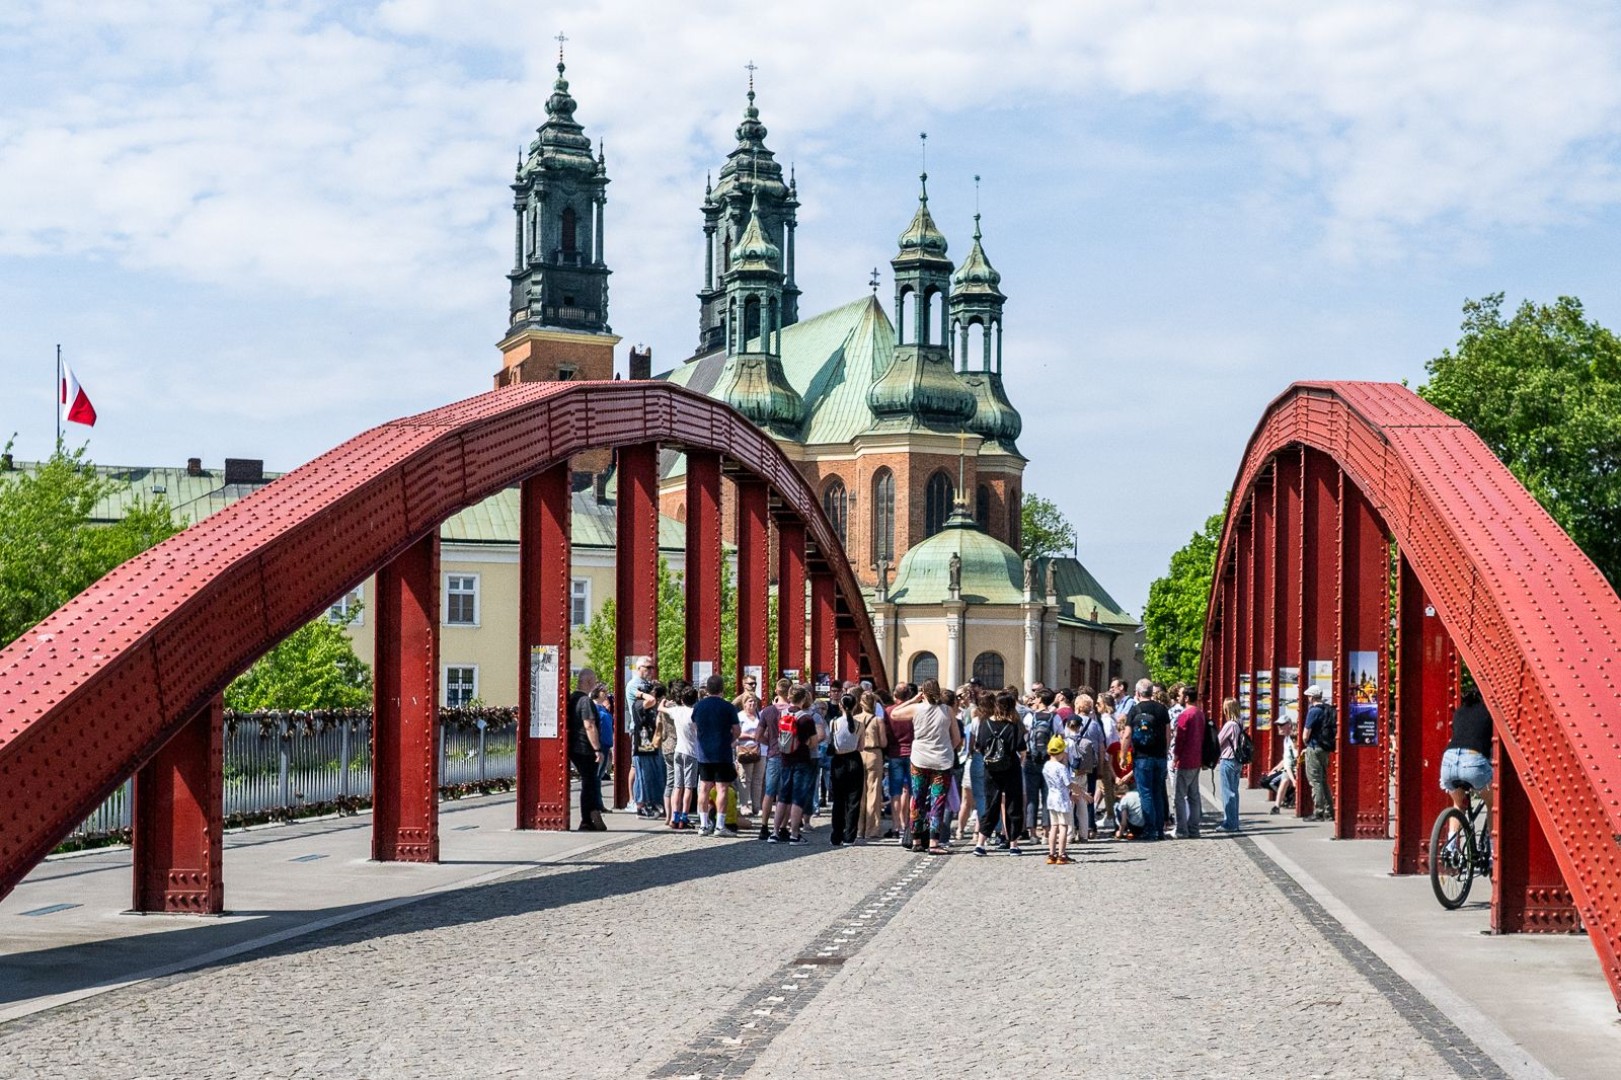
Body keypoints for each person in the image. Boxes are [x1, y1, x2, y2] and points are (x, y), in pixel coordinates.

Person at [889, 679, 960, 854]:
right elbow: (957, 738)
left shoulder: (917, 709)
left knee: (917, 799)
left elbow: (894, 713)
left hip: (920, 759)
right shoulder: (947, 710)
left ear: (923, 692)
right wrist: (945, 749)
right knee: (938, 801)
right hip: (942, 760)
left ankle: (916, 841)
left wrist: (913, 699)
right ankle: (934, 843)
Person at [974, 690, 1027, 856]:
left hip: (990, 769)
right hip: (1011, 767)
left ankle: (980, 844)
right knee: (1013, 804)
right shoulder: (1014, 724)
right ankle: (1013, 844)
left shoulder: (985, 722)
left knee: (991, 804)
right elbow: (1022, 749)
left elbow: (979, 746)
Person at [770, 686, 821, 845]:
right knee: (798, 798)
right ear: (804, 699)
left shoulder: (782, 714)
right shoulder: (806, 718)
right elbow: (813, 743)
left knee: (783, 797)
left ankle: (775, 832)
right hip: (802, 761)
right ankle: (794, 834)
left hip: (785, 759)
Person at [692, 674, 741, 837]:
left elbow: (694, 726)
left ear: (707, 689)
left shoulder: (699, 706)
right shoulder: (728, 707)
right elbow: (737, 730)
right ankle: (720, 826)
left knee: (704, 788)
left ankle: (704, 825)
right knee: (722, 789)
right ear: (722, 689)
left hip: (704, 753)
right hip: (722, 752)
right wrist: (730, 741)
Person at [1126, 678, 1172, 840]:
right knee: (1158, 792)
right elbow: (1168, 733)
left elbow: (1126, 735)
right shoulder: (1162, 709)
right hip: (1159, 757)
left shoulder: (1134, 710)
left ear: (1138, 693)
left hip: (1141, 757)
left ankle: (1150, 829)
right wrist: (1165, 752)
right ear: (1152, 692)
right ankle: (1160, 830)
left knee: (1145, 793)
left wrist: (1125, 755)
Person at [1440, 687, 1493, 814]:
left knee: (1458, 805)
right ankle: (1489, 835)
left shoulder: (1459, 712)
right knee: (1493, 805)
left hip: (1449, 761)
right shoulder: (1489, 712)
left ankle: (1451, 834)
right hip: (1472, 761)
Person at [566, 669, 607, 831]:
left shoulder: (572, 699)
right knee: (589, 783)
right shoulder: (585, 701)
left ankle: (592, 814)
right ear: (589, 682)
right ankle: (587, 819)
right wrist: (597, 749)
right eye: (595, 681)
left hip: (575, 748)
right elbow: (589, 725)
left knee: (589, 783)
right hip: (585, 748)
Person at [1043, 734, 1089, 864]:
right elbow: (1069, 784)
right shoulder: (1061, 768)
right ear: (1062, 752)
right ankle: (1062, 854)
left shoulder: (1047, 765)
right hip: (1062, 800)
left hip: (1051, 799)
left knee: (1054, 827)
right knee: (1063, 827)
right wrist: (1082, 793)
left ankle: (1051, 854)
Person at [827, 693, 866, 846]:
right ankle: (850, 836)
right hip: (854, 760)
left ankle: (836, 835)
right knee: (853, 800)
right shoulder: (859, 725)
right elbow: (861, 746)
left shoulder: (833, 723)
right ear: (855, 706)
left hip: (838, 761)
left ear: (840, 706)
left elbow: (831, 742)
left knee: (838, 800)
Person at [1171, 686, 1207, 839]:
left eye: (1180, 695)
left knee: (1179, 796)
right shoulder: (1200, 714)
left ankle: (1181, 829)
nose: (1178, 697)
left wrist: (1175, 758)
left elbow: (1180, 739)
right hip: (1196, 759)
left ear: (1186, 698)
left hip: (1185, 760)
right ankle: (1194, 828)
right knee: (1194, 796)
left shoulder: (1185, 715)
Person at [755, 680, 788, 840]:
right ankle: (782, 827)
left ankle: (763, 826)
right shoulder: (793, 711)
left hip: (773, 754)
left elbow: (758, 735)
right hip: (789, 756)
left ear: (776, 691)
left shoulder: (767, 711)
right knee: (785, 794)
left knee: (769, 793)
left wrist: (769, 743)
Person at [885, 683, 916, 845]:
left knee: (895, 791)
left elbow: (886, 732)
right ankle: (909, 824)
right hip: (912, 753)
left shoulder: (889, 711)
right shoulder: (913, 710)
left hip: (894, 753)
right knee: (911, 791)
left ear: (894, 695)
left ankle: (896, 826)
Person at [856, 691, 888, 840]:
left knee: (858, 792)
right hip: (874, 754)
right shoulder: (878, 720)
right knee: (873, 793)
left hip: (859, 754)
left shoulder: (855, 719)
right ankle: (872, 829)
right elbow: (883, 743)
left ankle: (858, 828)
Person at [667, 685, 700, 830]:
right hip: (691, 752)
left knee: (677, 786)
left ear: (681, 699)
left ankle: (675, 816)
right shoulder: (694, 714)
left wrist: (669, 703)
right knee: (688, 787)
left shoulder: (676, 711)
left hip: (678, 750)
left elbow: (661, 707)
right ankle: (684, 817)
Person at [632, 681, 666, 819]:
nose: (654, 695)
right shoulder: (639, 704)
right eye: (651, 691)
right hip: (642, 743)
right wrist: (641, 694)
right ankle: (641, 805)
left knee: (651, 774)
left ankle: (651, 802)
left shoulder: (648, 704)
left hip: (648, 742)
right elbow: (651, 700)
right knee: (644, 776)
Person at [1301, 683, 1335, 821]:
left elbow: (1305, 734)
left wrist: (1306, 745)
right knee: (1323, 780)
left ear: (1312, 697)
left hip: (1314, 748)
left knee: (1315, 780)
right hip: (1325, 748)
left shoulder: (1313, 711)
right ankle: (1329, 810)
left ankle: (1319, 811)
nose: (1307, 698)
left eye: (1308, 696)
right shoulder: (1326, 709)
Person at [734, 693, 765, 816]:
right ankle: (744, 805)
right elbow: (735, 733)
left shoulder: (759, 715)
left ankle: (756, 806)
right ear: (744, 703)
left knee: (758, 779)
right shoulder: (739, 716)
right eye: (750, 701)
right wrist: (751, 736)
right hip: (745, 749)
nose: (752, 704)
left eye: (754, 702)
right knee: (745, 778)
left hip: (759, 750)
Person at [1216, 697, 1244, 832]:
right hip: (1237, 761)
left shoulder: (1230, 725)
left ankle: (1230, 823)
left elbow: (1218, 741)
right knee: (1234, 792)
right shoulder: (1240, 722)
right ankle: (1235, 822)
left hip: (1228, 759)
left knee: (1228, 792)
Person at [1267, 711, 1298, 814]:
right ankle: (1277, 805)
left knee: (1283, 780)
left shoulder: (1294, 738)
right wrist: (1275, 769)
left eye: (1281, 725)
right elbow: (1287, 762)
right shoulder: (1286, 740)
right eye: (1278, 725)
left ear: (1289, 725)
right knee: (1283, 780)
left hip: (1299, 765)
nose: (1279, 728)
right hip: (1291, 766)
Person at [1113, 775, 1145, 840]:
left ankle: (1125, 830)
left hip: (1135, 827)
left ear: (1119, 795)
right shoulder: (1138, 792)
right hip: (1146, 824)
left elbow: (1123, 821)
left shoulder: (1124, 799)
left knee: (1116, 806)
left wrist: (1120, 833)